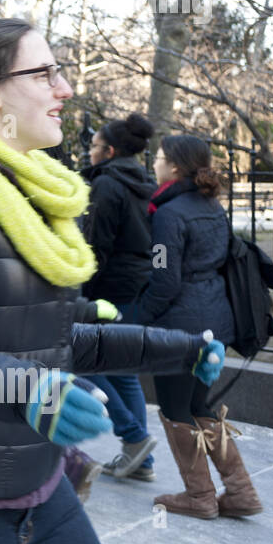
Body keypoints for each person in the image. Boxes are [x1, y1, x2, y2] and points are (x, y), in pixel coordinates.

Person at [0, 18, 226, 544]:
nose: (66, 89)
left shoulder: (25, 189)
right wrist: (23, 390)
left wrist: (178, 349)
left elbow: (51, 341)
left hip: (41, 489)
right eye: (45, 73)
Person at [119, 135, 263, 519]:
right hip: (217, 319)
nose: (155, 163)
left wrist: (138, 318)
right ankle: (241, 492)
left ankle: (199, 496)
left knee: (174, 408)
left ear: (176, 167)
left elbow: (164, 278)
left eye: (160, 157)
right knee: (200, 404)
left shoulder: (168, 213)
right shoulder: (210, 205)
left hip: (181, 328)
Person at [79, 113, 159, 482]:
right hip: (136, 283)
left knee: (85, 360)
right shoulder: (143, 180)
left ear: (109, 151)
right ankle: (141, 461)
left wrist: (85, 292)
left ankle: (134, 436)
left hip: (110, 287)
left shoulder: (108, 184)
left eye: (94, 147)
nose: (90, 152)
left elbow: (98, 246)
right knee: (124, 369)